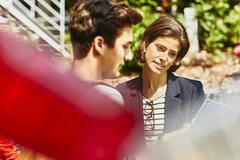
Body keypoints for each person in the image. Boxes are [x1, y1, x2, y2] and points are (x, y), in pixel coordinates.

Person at [117, 15, 205, 149]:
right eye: (160, 48)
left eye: (172, 54)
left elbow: (203, 143)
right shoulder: (121, 93)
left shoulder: (192, 91)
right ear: (145, 44)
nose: (164, 58)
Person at [69, 0, 142, 104]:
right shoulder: (108, 98)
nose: (129, 56)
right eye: (125, 46)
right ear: (100, 44)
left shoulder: (50, 89)